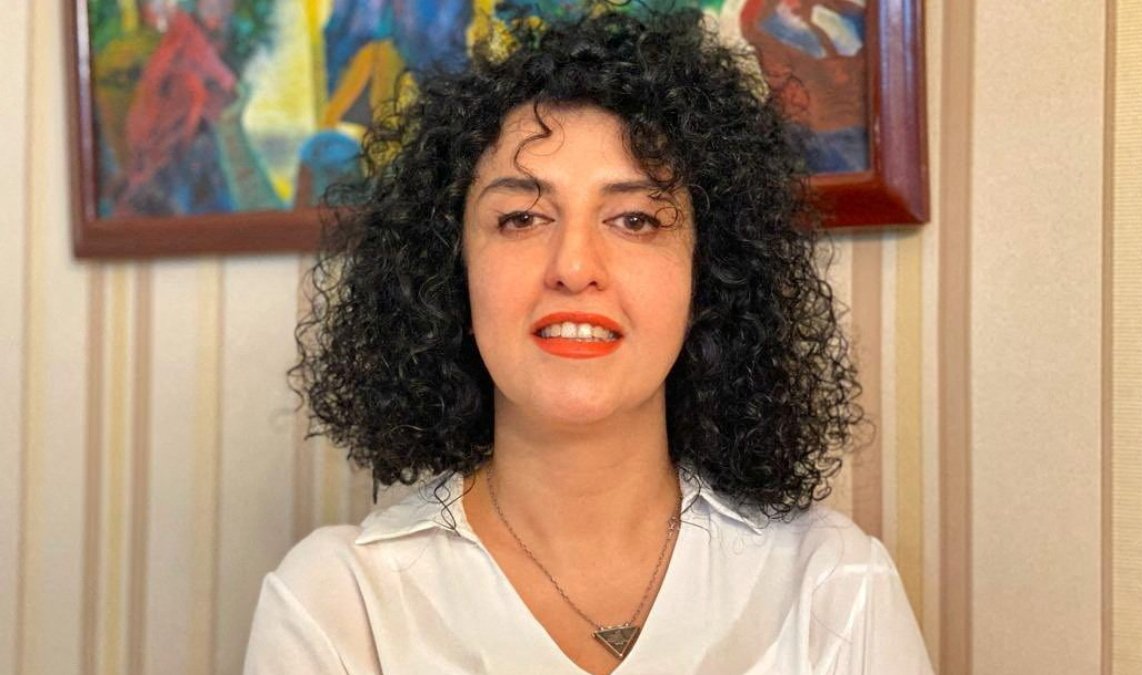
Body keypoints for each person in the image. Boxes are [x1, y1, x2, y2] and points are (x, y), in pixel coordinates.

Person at [245, 4, 933, 674]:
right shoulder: (339, 602)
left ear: (710, 274)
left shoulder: (835, 584)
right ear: (450, 272)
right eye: (522, 218)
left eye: (635, 219)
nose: (574, 267)